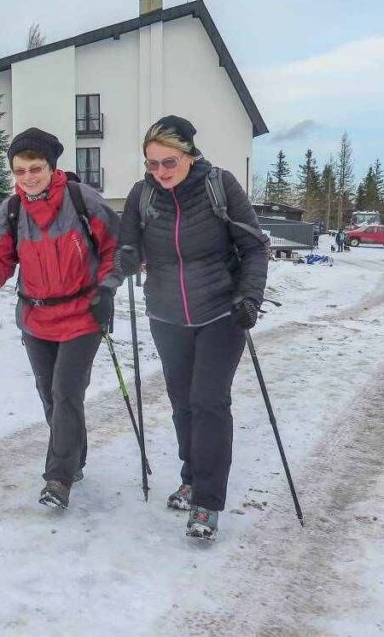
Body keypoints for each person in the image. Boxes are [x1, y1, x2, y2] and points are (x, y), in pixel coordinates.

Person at [115, 115, 268, 541]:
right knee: (182, 402)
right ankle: (191, 476)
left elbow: (253, 247)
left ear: (189, 155)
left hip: (222, 312)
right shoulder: (141, 195)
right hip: (167, 316)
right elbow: (126, 246)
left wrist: (249, 296)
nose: (160, 172)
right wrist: (126, 258)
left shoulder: (220, 185)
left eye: (169, 162)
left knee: (208, 402)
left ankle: (207, 501)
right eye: (152, 164)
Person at [0, 127, 121, 510]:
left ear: (52, 167)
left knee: (66, 392)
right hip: (36, 317)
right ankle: (76, 458)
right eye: (19, 171)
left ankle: (58, 478)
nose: (27, 178)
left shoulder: (82, 200)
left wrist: (106, 290)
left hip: (83, 313)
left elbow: (115, 250)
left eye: (34, 169)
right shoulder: (11, 210)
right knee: (50, 396)